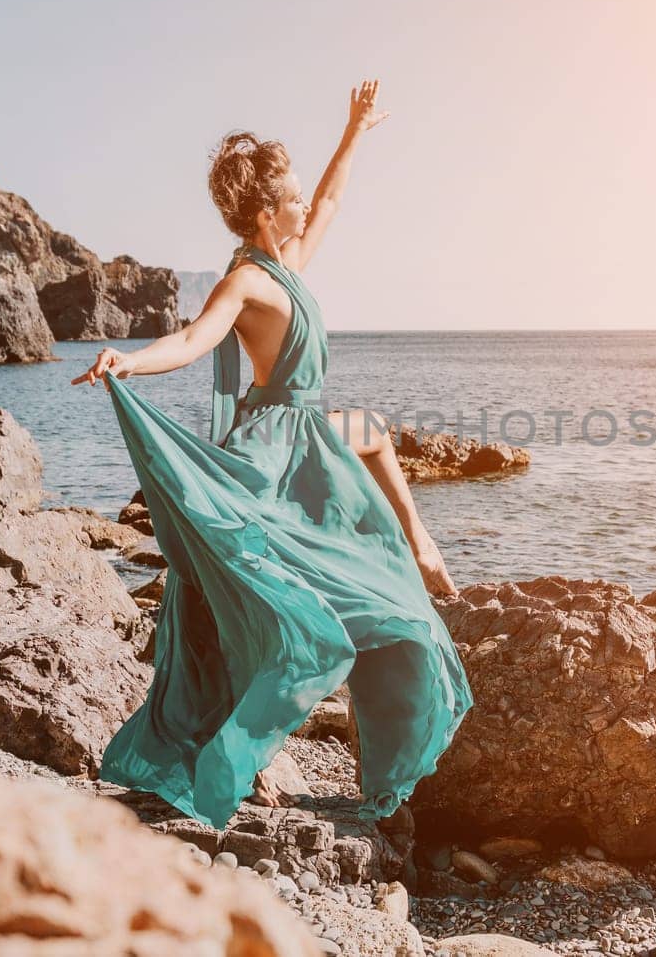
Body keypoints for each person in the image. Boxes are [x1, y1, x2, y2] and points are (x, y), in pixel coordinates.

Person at [70, 80, 473, 827]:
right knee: (281, 605)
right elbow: (193, 340)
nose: (299, 207)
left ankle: (418, 547)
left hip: (311, 439)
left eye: (294, 196)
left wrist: (354, 130)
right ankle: (228, 756)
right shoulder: (247, 281)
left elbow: (329, 204)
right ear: (264, 213)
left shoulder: (288, 263)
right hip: (273, 453)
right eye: (286, 198)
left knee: (376, 495)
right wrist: (127, 361)